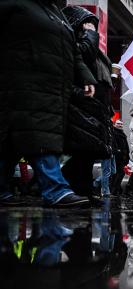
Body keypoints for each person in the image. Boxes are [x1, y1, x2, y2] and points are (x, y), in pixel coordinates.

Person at [0, 0, 97, 208]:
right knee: (39, 135)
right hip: (23, 80)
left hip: (53, 86)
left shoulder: (55, 12)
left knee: (14, 141)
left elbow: (73, 50)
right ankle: (55, 189)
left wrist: (85, 76)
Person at [62, 5, 114, 202]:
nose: (92, 28)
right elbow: (85, 54)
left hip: (97, 108)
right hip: (82, 105)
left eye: (93, 25)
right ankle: (75, 189)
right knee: (83, 151)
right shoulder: (78, 43)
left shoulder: (98, 53)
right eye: (87, 24)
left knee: (90, 153)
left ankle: (84, 191)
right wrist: (90, 34)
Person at [110, 119, 129, 196]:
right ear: (114, 125)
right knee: (119, 174)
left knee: (117, 174)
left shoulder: (123, 134)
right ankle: (114, 191)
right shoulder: (113, 133)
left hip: (123, 158)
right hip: (117, 157)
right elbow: (113, 144)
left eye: (121, 124)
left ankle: (116, 190)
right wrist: (117, 151)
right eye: (118, 124)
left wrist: (127, 157)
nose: (120, 125)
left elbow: (126, 147)